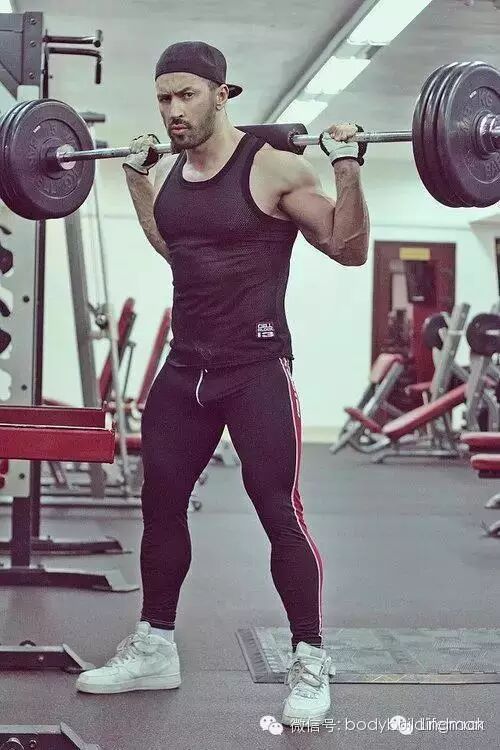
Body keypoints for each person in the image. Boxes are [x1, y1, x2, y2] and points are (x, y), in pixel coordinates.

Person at [76, 41, 369, 726]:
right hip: (186, 371)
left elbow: (349, 248)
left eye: (187, 95)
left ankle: (309, 656)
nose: (173, 110)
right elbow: (175, 245)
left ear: (222, 94)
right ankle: (155, 645)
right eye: (164, 98)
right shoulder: (174, 175)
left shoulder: (275, 168)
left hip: (255, 370)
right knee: (159, 504)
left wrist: (347, 166)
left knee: (278, 511)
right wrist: (138, 183)